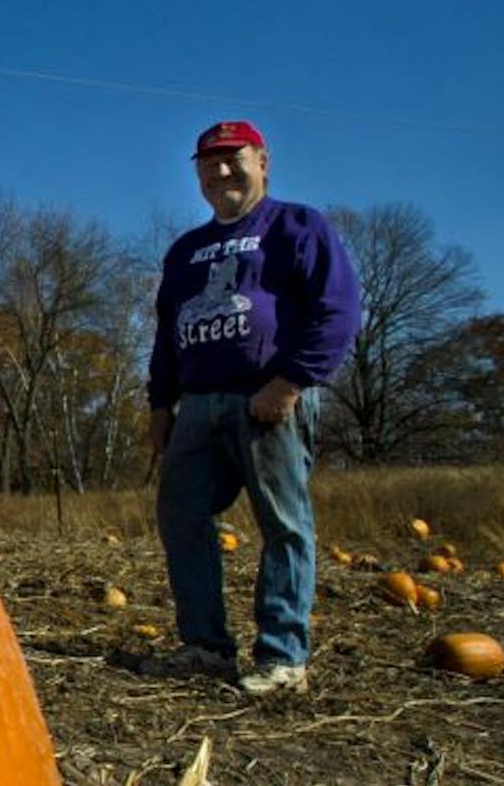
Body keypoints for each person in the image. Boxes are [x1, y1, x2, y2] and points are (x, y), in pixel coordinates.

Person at [147, 119, 361, 695]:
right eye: (207, 163)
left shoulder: (297, 225)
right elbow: (167, 332)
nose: (220, 172)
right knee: (181, 515)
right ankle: (205, 646)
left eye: (232, 159)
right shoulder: (186, 251)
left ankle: (282, 657)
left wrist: (289, 383)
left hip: (266, 400)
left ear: (262, 160)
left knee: (283, 524)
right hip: (196, 404)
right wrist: (160, 403)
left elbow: (337, 310)